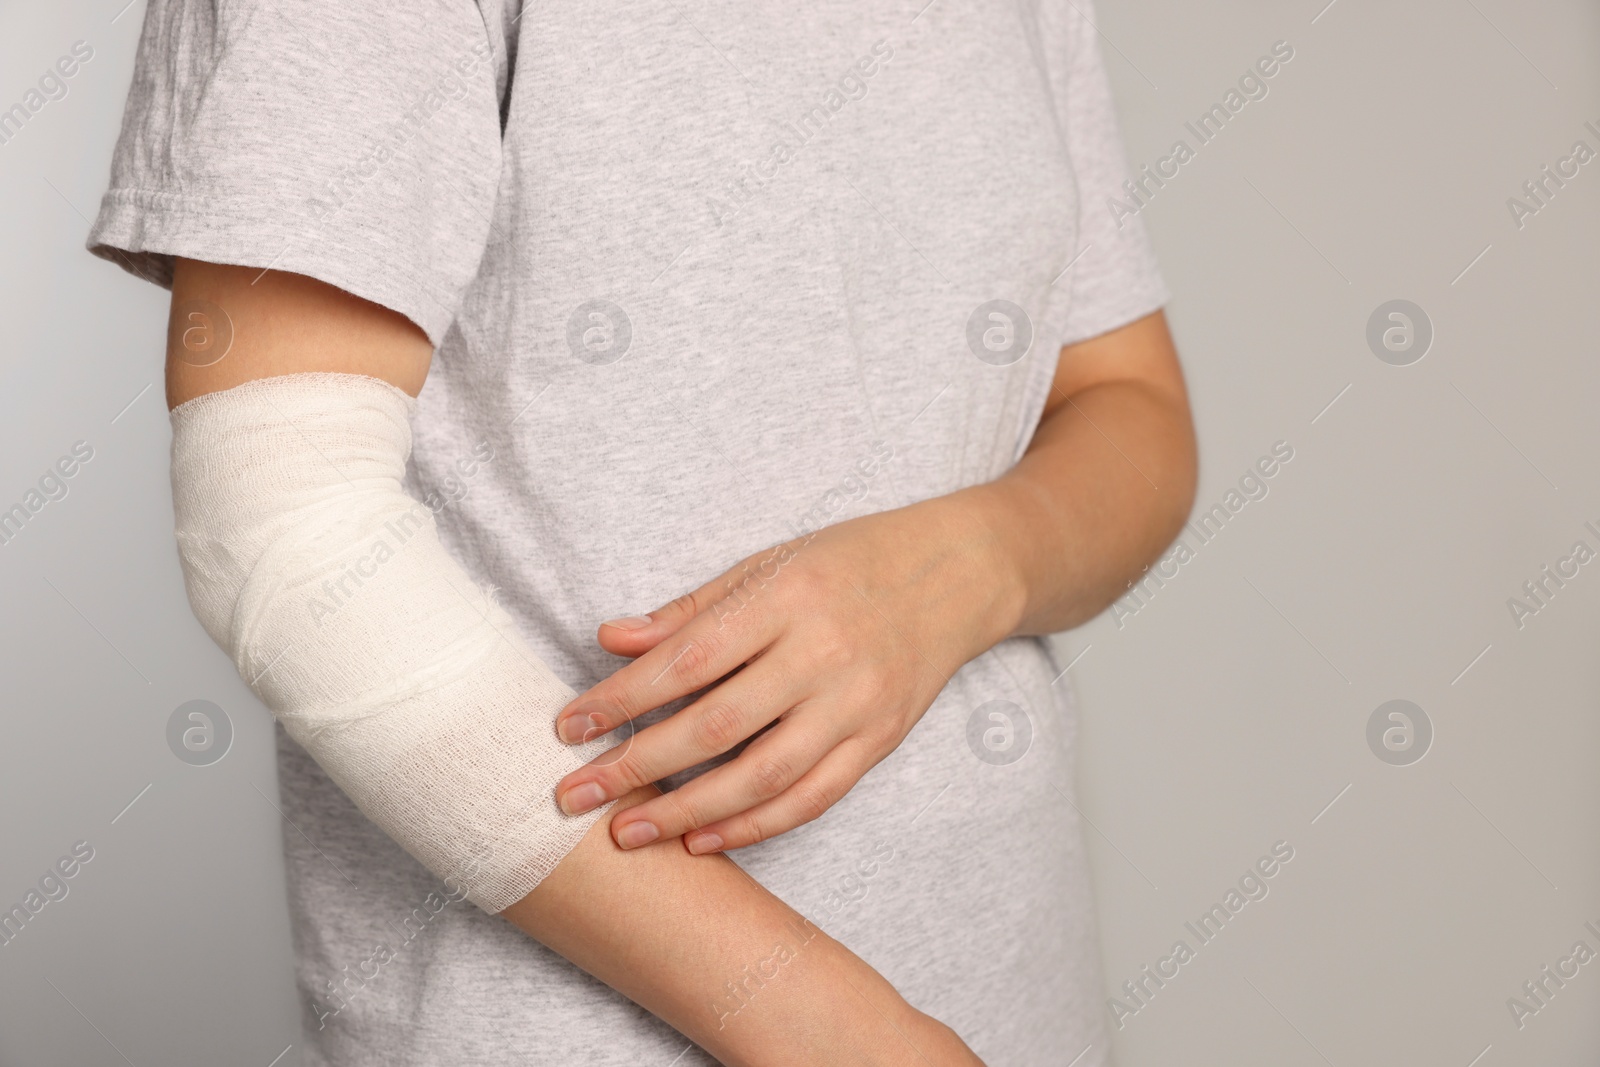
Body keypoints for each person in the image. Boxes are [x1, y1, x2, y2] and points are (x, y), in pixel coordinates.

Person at [87, 1, 1196, 1063]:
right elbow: (285, 527)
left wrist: (962, 570)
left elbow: (1131, 405)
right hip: (593, 1024)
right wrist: (836, 1030)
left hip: (1012, 983)